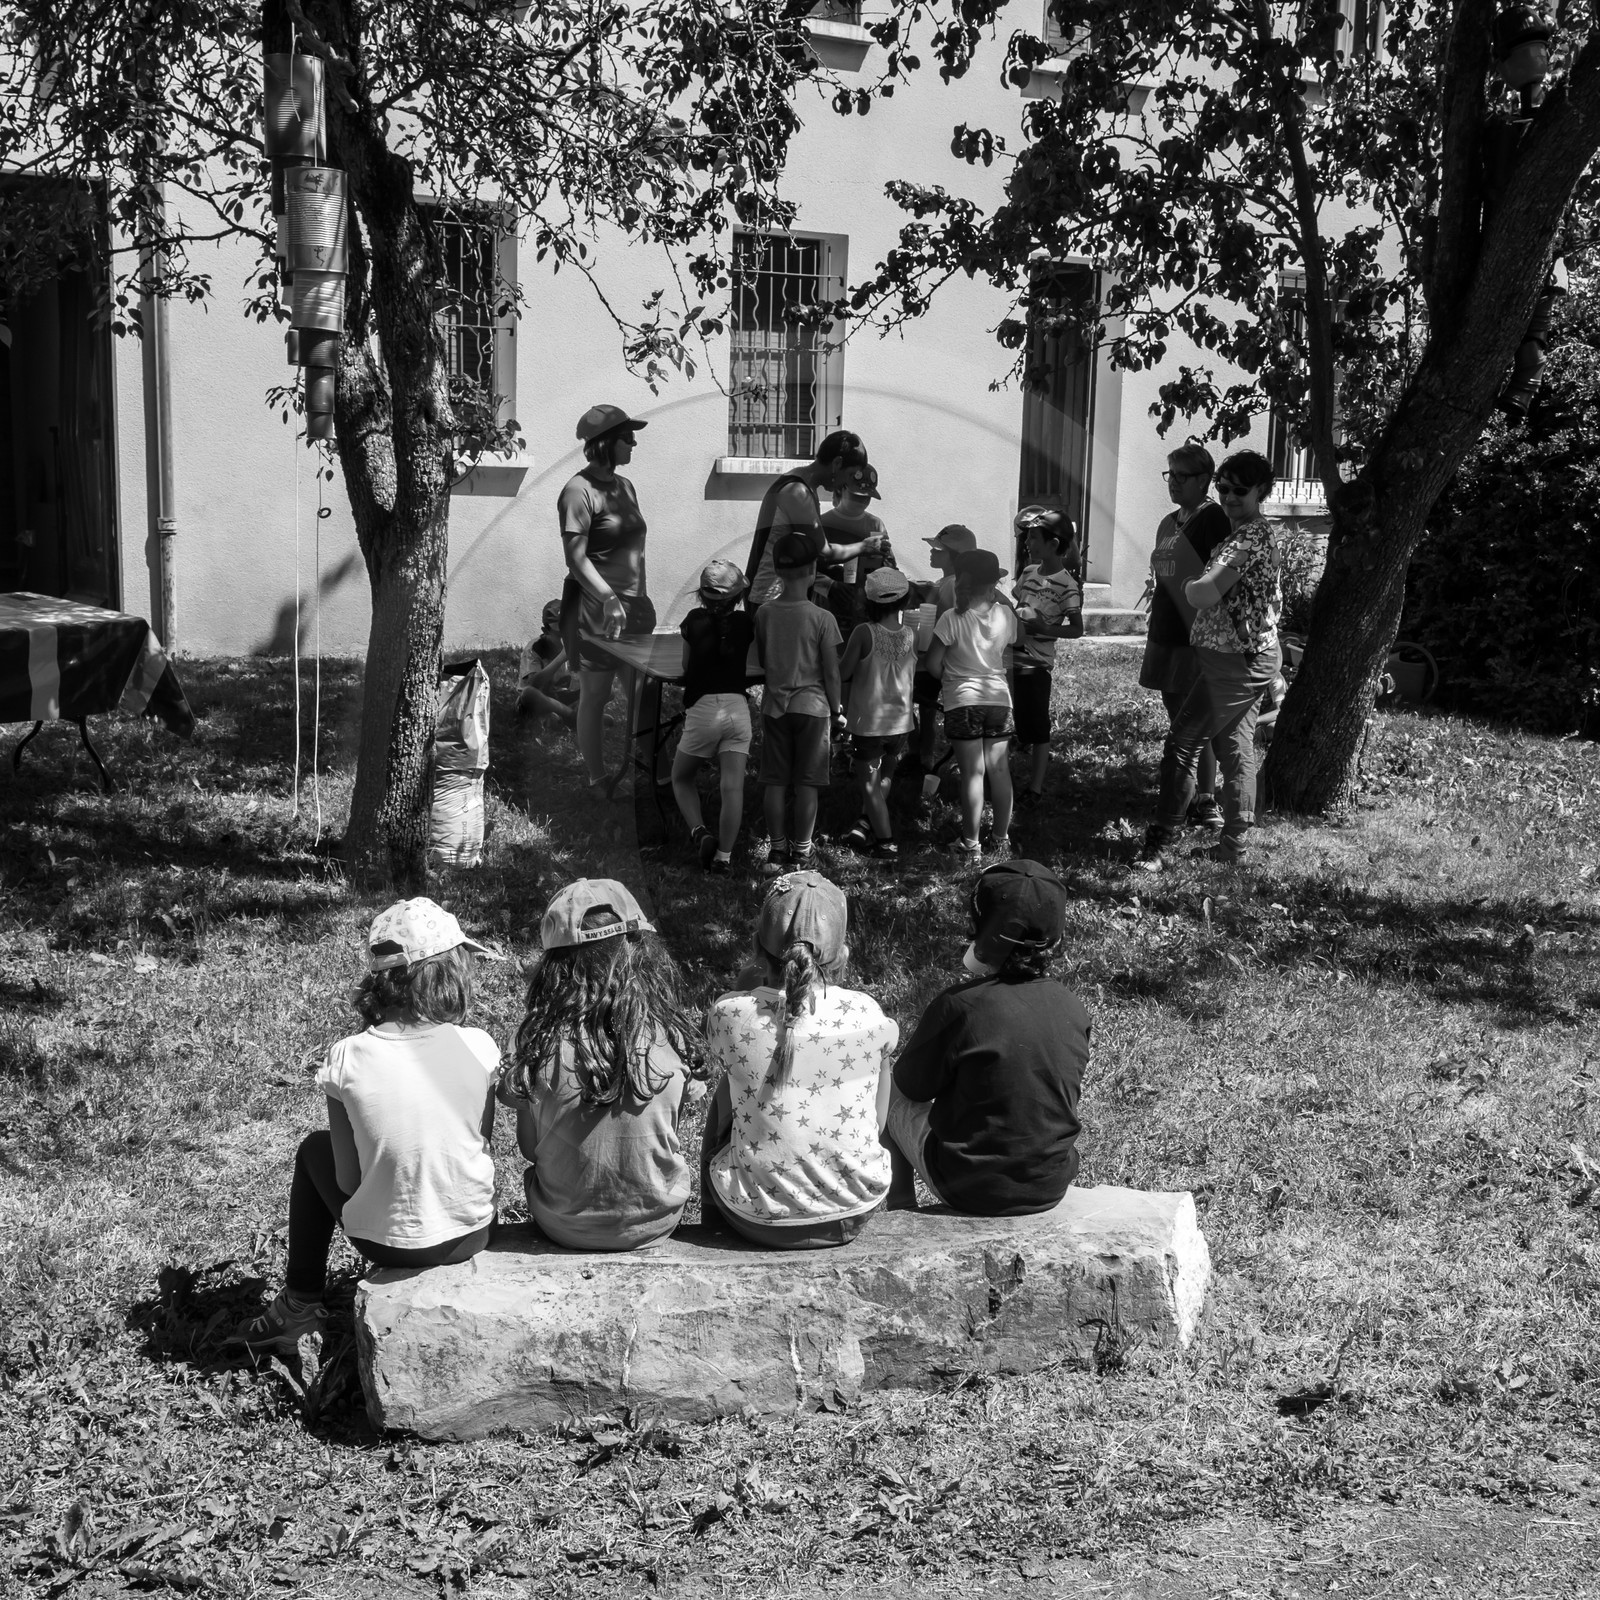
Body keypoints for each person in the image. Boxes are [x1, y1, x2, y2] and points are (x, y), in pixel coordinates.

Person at [230, 899, 501, 1354]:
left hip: (388, 1246)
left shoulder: (347, 1057)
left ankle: (299, 1304)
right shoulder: (479, 1045)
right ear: (451, 972)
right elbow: (481, 1140)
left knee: (313, 1149)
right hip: (471, 1234)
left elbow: (347, 1180)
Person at [499, 879, 702, 1250]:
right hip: (656, 1221)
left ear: (553, 967)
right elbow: (671, 1120)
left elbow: (530, 1150)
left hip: (563, 1225)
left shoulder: (534, 1042)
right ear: (643, 951)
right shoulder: (672, 1034)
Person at [699, 871, 899, 1247]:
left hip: (753, 1217)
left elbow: (743, 1051)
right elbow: (880, 1118)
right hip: (854, 1210)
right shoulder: (868, 1014)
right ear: (843, 955)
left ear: (757, 947)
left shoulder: (729, 1013)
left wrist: (748, 985)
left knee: (726, 1088)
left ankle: (710, 1219)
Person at [882, 860, 1089, 1215]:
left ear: (979, 928)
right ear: (1054, 939)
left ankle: (900, 1204)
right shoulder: (1073, 1008)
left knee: (885, 1084)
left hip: (968, 1189)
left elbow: (909, 1089)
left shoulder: (960, 1006)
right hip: (1050, 1185)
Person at [1137, 448, 1285, 870]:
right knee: (1236, 749)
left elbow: (1204, 592)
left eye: (1240, 489)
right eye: (1224, 488)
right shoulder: (1254, 533)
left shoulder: (1248, 537)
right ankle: (1233, 848)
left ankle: (1161, 842)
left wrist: (1186, 583)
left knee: (1181, 745)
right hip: (1249, 656)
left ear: (1261, 491)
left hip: (1232, 663)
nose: (1230, 496)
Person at [559, 404, 657, 788]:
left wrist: (638, 601)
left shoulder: (625, 487)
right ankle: (598, 779)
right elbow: (575, 558)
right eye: (626, 437)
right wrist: (608, 598)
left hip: (635, 607)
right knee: (596, 696)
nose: (633, 442)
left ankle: (641, 772)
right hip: (599, 609)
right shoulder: (577, 492)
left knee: (641, 696)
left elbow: (635, 549)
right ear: (605, 444)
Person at [1138, 442, 1233, 830]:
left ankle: (1206, 800)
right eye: (1170, 475)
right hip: (1165, 631)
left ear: (1204, 480)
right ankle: (1187, 793)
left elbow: (1219, 582)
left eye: (1182, 476)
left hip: (1196, 636)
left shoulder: (1214, 519)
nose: (1173, 483)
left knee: (1195, 723)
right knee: (1177, 717)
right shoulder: (1168, 520)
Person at [754, 531, 844, 877]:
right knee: (808, 784)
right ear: (813, 570)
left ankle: (777, 850)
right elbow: (831, 674)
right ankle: (802, 852)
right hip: (813, 709)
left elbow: (763, 657)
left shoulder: (765, 613)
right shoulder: (823, 618)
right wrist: (837, 710)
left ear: (777, 570)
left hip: (775, 707)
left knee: (774, 781)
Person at [926, 547, 1018, 861]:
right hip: (999, 700)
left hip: (963, 701)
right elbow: (1013, 641)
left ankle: (970, 843)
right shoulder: (1006, 615)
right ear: (993, 584)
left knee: (973, 775)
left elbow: (933, 665)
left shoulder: (952, 618)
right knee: (1000, 770)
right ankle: (1001, 837)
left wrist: (950, 679)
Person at [671, 559, 756, 874]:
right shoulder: (747, 623)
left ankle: (699, 831)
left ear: (702, 595)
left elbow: (684, 666)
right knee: (732, 788)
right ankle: (724, 858)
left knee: (680, 777)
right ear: (736, 597)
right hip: (737, 710)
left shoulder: (692, 620)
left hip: (703, 709)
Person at [743, 430, 885, 607]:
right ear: (837, 463)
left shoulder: (803, 484)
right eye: (849, 475)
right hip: (769, 598)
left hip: (782, 598)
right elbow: (824, 552)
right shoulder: (797, 492)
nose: (846, 484)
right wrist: (865, 546)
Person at [838, 566, 917, 860]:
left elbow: (843, 672)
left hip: (869, 723)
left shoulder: (863, 632)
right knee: (886, 774)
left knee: (869, 785)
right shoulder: (911, 633)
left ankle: (886, 842)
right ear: (904, 601)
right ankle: (864, 823)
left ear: (868, 602)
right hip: (901, 723)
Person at [1010, 507, 1084, 807]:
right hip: (1010, 658)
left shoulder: (1068, 585)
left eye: (1034, 538)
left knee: (1038, 727)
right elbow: (1020, 601)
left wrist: (1043, 627)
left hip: (1036, 663)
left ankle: (1036, 787)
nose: (1027, 543)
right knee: (1011, 718)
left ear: (1053, 544)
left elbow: (1077, 629)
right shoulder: (1028, 573)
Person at [911, 523, 977, 807]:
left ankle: (919, 756)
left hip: (933, 663)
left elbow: (952, 625)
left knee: (915, 705)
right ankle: (921, 757)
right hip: (933, 660)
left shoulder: (951, 586)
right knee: (923, 710)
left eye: (937, 549)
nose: (931, 552)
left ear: (954, 556)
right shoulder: (946, 583)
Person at [818, 461, 894, 631]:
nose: (862, 500)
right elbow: (805, 568)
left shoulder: (875, 525)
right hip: (826, 611)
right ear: (841, 489)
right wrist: (829, 585)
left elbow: (888, 567)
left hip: (864, 612)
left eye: (866, 496)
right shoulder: (822, 524)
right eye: (857, 495)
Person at [517, 597, 579, 728]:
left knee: (607, 690)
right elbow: (534, 684)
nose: (561, 639)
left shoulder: (572, 644)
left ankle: (573, 715)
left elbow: (572, 683)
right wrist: (561, 658)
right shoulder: (535, 648)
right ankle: (573, 717)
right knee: (528, 694)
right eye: (557, 635)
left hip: (559, 699)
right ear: (544, 631)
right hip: (535, 701)